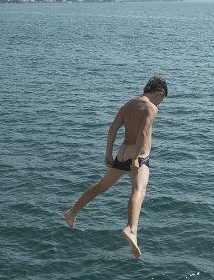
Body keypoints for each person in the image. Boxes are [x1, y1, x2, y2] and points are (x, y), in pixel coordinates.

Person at [64, 76, 168, 259]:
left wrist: (108, 154)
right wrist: (136, 159)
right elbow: (143, 133)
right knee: (139, 190)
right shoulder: (152, 108)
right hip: (139, 154)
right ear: (159, 93)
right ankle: (131, 229)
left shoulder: (127, 105)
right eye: (162, 98)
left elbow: (113, 129)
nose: (161, 102)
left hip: (122, 152)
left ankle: (72, 212)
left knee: (101, 187)